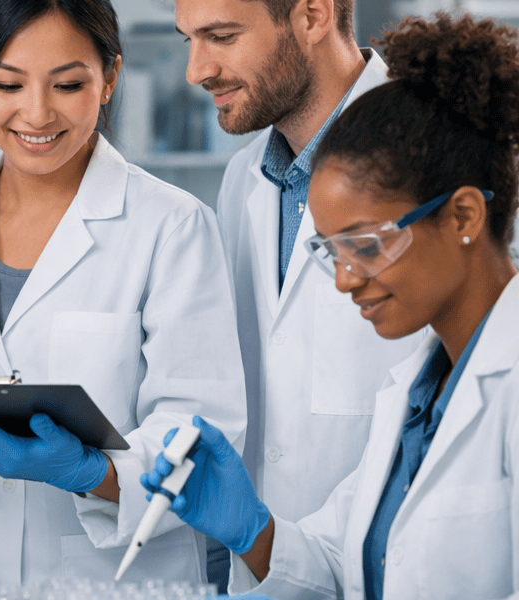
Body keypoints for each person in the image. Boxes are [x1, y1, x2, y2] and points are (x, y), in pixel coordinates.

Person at [0, 0, 247, 595]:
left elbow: (201, 441)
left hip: (114, 582)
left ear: (110, 78)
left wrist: (93, 473)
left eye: (67, 84)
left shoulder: (172, 226)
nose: (36, 113)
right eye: (8, 84)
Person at [144, 12, 519, 599]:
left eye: (221, 36)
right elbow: (344, 557)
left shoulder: (435, 149)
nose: (344, 281)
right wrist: (249, 526)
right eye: (330, 250)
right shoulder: (412, 396)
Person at [174, 0, 425, 524]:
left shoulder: (439, 158)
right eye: (188, 40)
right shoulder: (244, 177)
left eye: (221, 37)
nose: (197, 70)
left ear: (313, 15)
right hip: (262, 562)